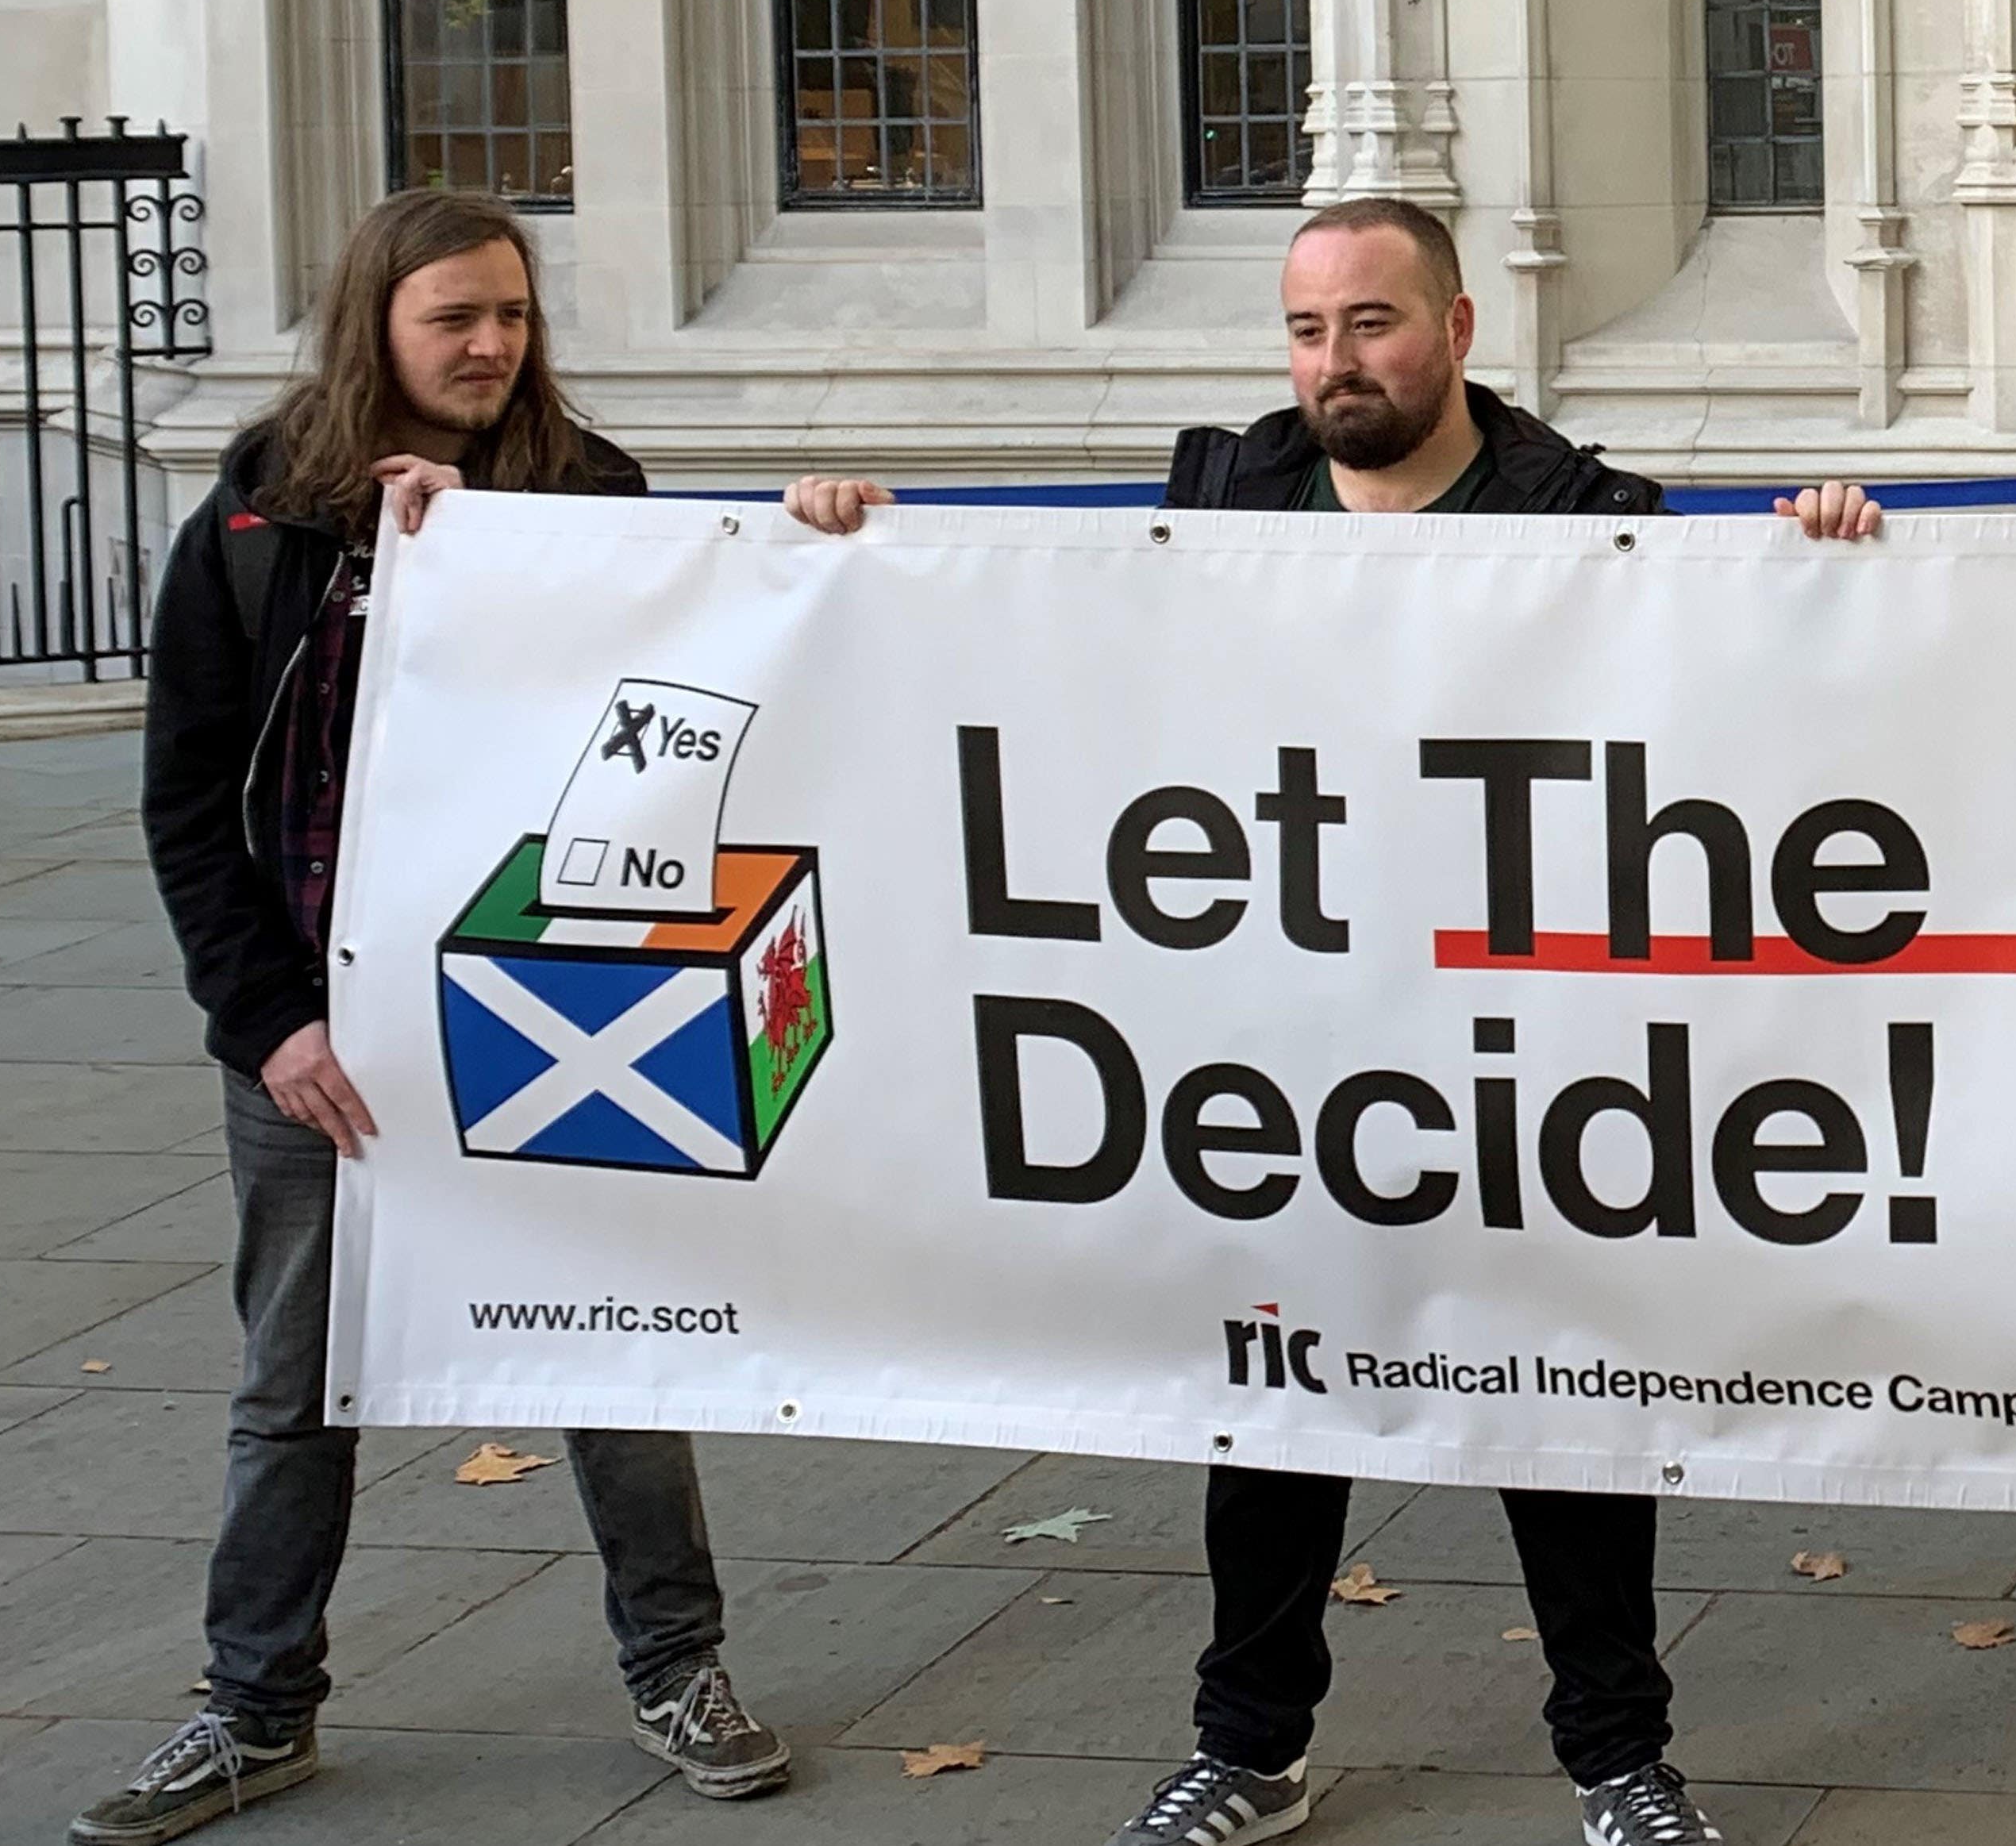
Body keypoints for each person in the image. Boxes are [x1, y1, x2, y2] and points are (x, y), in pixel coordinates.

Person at [784, 194, 1872, 1846]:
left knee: (1558, 1403)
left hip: (1521, 1052)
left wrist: (1821, 557)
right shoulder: (1219, 497)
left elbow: (1749, 693)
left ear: (1454, 329)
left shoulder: (1591, 520)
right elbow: (1019, 634)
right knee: (1275, 1400)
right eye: (1305, 330)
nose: (1333, 360)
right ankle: (1247, 1743)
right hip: (1286, 1040)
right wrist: (853, 528)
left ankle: (1620, 1762)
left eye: (1368, 321)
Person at [112, 190, 789, 1845]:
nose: (492, 345)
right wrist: (270, 1022)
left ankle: (677, 1664)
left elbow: (686, 698)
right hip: (315, 1046)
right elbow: (189, 800)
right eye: (453, 319)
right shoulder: (260, 523)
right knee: (295, 1380)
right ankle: (254, 1703)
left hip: (541, 1014)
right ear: (375, 328)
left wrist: (498, 540)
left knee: (611, 1355)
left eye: (511, 314)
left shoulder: (589, 497)